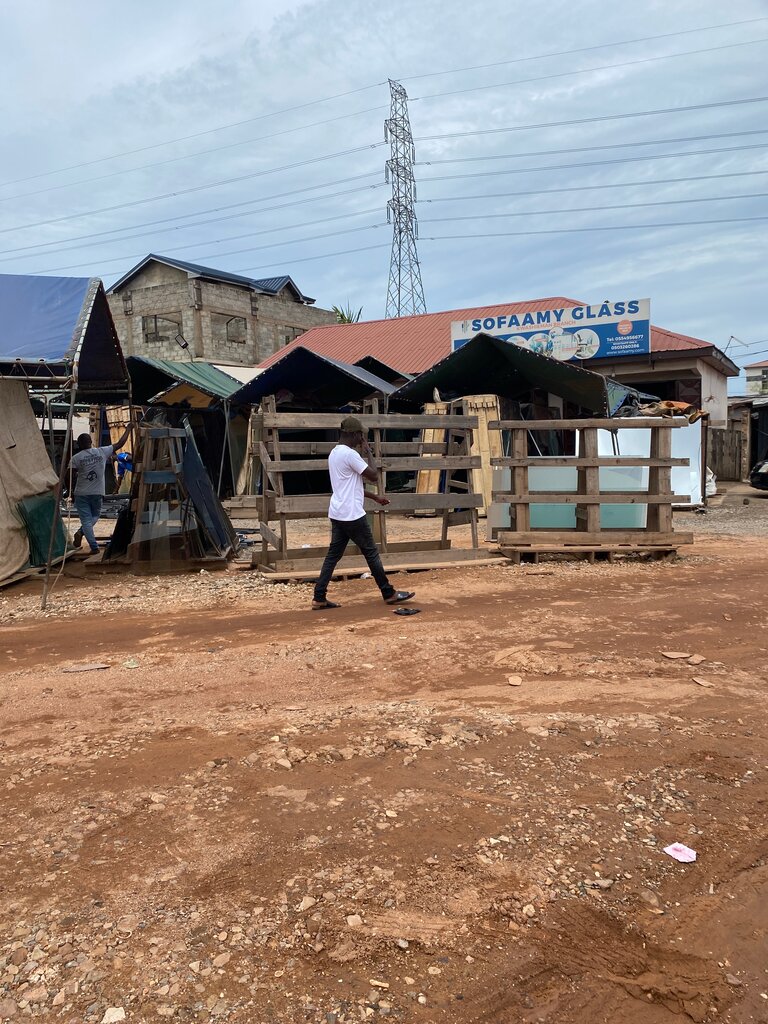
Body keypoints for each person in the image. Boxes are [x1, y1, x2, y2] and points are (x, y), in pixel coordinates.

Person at [312, 416, 415, 610]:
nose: (362, 439)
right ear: (352, 434)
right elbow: (374, 476)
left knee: (333, 555)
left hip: (338, 512)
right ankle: (388, 593)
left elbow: (351, 486)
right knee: (371, 553)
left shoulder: (334, 453)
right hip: (352, 514)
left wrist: (375, 498)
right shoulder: (351, 455)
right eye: (360, 435)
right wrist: (369, 453)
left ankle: (319, 597)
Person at [69, 423, 134, 554]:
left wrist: (70, 491)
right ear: (91, 442)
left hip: (81, 493)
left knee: (86, 519)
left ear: (79, 445)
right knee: (95, 516)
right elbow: (120, 443)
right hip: (97, 492)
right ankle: (90, 543)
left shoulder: (75, 458)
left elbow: (69, 476)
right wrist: (128, 429)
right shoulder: (101, 452)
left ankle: (89, 542)